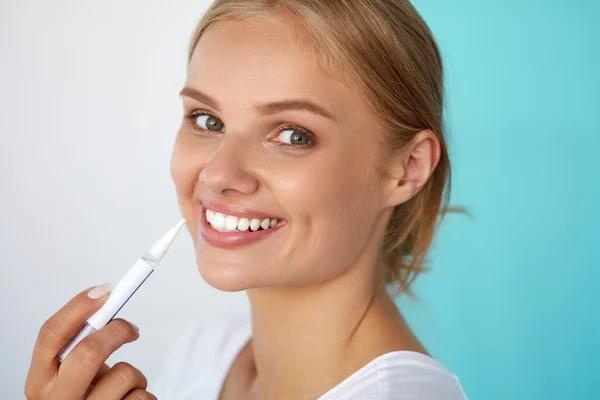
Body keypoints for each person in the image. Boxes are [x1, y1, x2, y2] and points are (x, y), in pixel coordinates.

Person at [25, 0, 468, 399]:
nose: (217, 174)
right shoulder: (205, 352)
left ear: (408, 167)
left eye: (294, 135)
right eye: (207, 120)